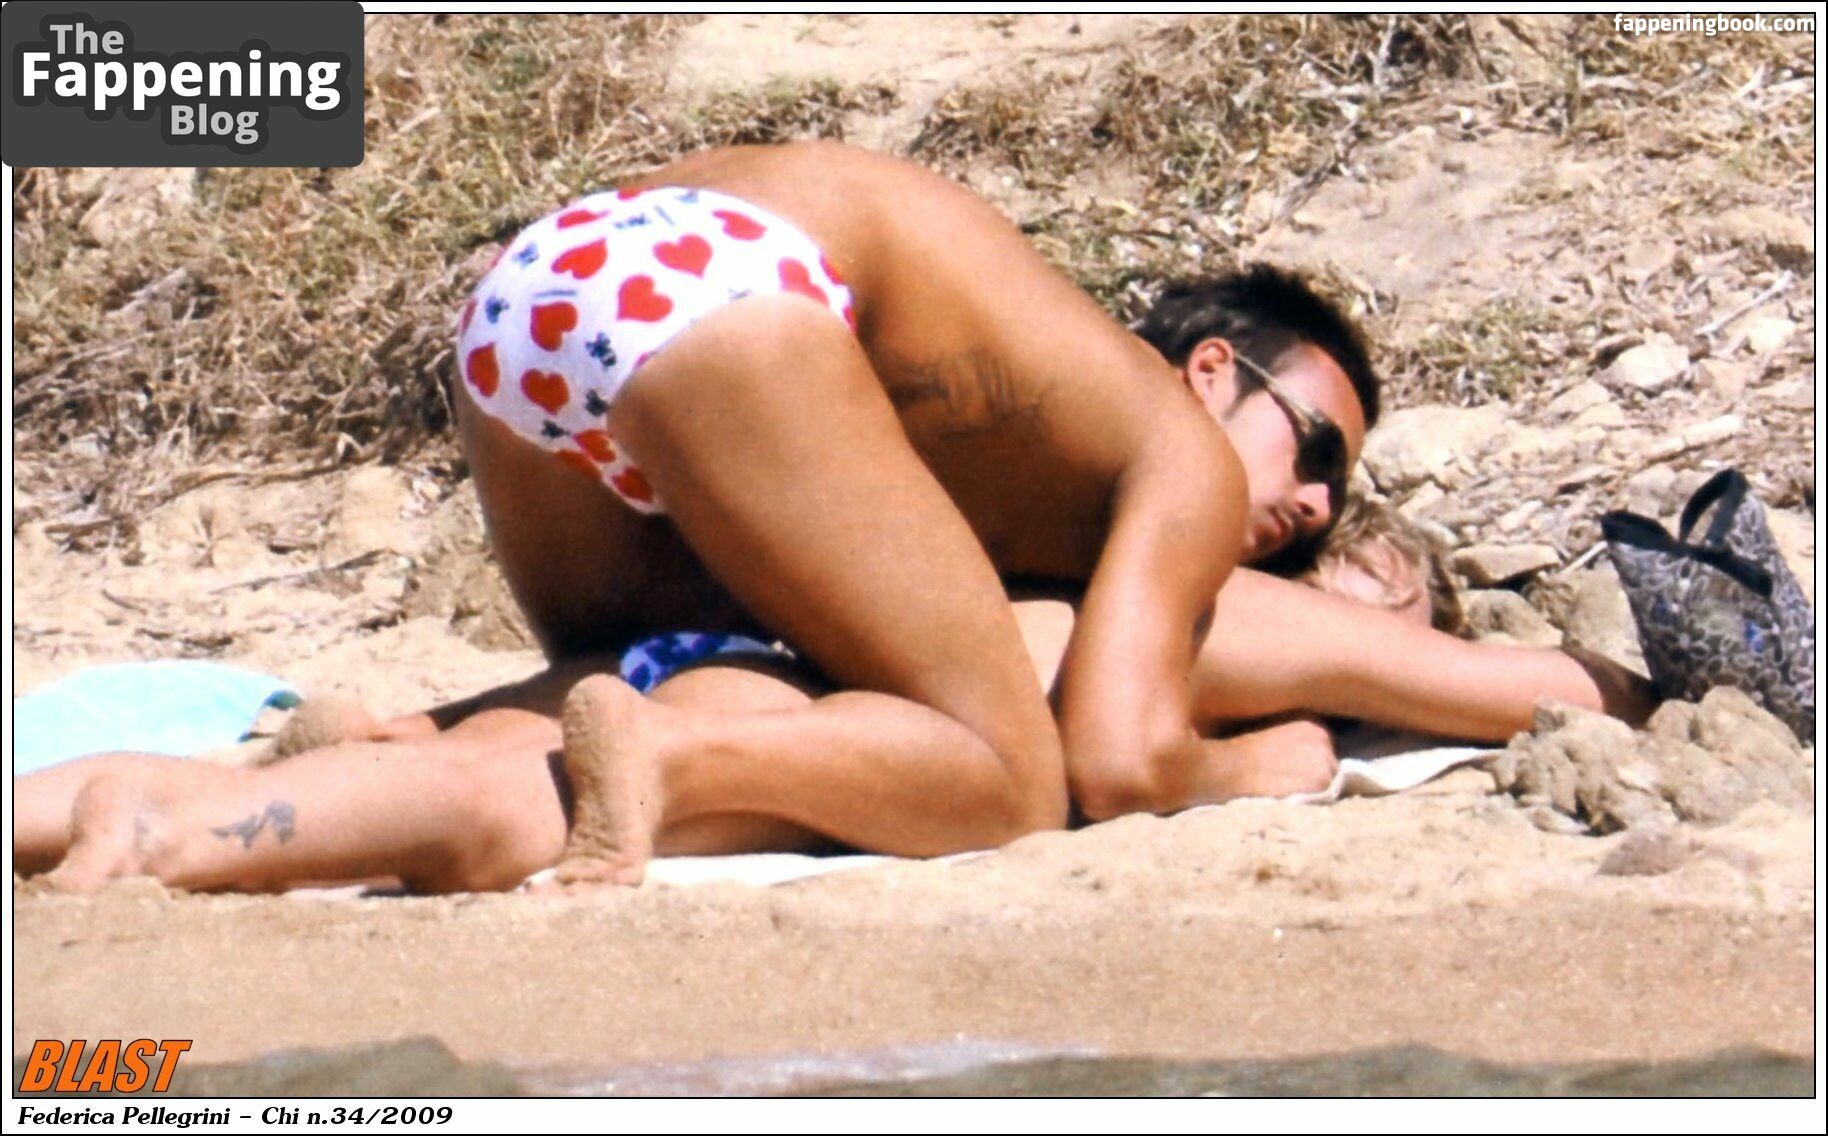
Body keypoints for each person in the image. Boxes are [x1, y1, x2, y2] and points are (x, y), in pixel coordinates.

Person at [429, 141, 1388, 883]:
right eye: (1316, 449)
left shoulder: (1010, 445)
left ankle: (395, 748)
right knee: (1009, 784)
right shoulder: (1184, 452)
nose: (1315, 501)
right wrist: (1243, 766)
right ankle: (681, 756)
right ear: (1213, 368)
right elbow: (1117, 765)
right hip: (712, 276)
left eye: (1334, 498)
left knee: (659, 672)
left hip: (532, 290)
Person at [19, 503, 1654, 894]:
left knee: (499, 751)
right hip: (787, 729)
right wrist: (1662, 673)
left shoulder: (1088, 573)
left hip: (736, 657)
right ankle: (165, 833)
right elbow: (1525, 685)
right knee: (505, 811)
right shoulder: (1256, 617)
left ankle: (146, 797)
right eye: (1404, 593)